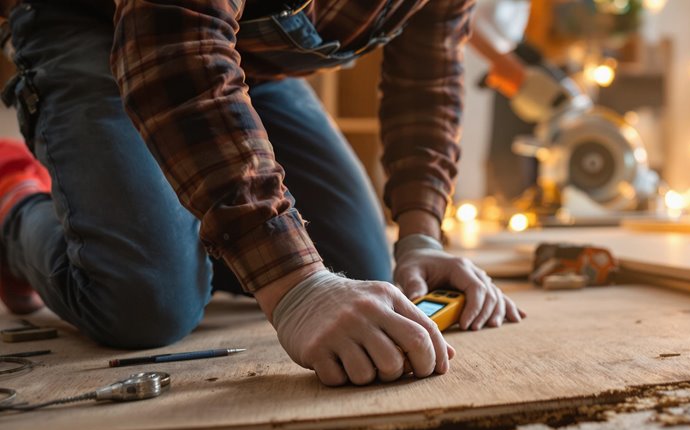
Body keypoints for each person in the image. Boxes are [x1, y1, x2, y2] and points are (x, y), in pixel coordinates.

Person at [0, 0, 524, 386]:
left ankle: (166, 223)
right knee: (148, 303)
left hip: (244, 54)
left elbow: (427, 82)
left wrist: (421, 238)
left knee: (357, 265)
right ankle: (14, 203)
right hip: (104, 26)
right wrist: (293, 286)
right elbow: (173, 50)